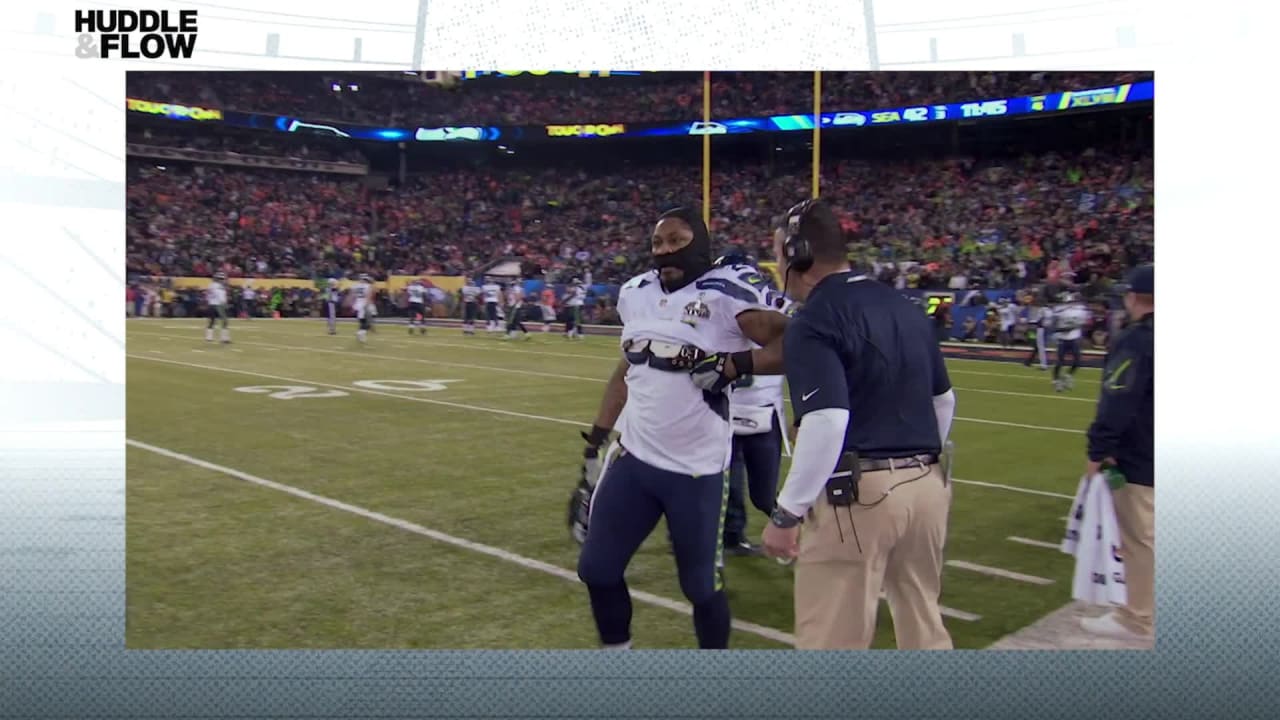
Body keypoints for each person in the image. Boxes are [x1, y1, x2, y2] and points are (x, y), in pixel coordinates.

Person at [574, 206, 789, 649]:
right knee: (596, 569)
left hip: (696, 468)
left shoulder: (726, 293)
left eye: (676, 240)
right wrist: (597, 437)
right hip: (635, 457)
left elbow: (796, 341)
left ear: (701, 246)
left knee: (700, 587)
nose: (665, 250)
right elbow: (626, 371)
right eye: (658, 242)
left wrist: (736, 363)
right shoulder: (635, 293)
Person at [760, 199, 956, 650]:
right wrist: (916, 464)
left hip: (861, 494)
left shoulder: (814, 318)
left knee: (832, 638)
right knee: (923, 623)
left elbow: (828, 419)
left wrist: (788, 511)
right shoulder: (904, 306)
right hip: (927, 484)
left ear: (798, 255)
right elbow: (943, 401)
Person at [1081, 263, 1154, 641]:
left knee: (1139, 540)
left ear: (1134, 297)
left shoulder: (1137, 340)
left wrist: (1099, 449)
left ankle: (1138, 618)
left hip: (1142, 456)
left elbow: (1119, 398)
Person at [715, 247, 791, 557]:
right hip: (745, 410)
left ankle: (792, 529)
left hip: (746, 409)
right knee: (740, 489)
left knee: (746, 489)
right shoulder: (777, 305)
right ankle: (733, 537)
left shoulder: (722, 305)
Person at [1051, 290, 1089, 392]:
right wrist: (1065, 329)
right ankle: (1056, 381)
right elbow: (1054, 326)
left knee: (1077, 361)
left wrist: (1077, 328)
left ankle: (1068, 376)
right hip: (1062, 338)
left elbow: (1083, 323)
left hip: (1074, 338)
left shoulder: (1080, 310)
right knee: (1060, 362)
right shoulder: (1058, 311)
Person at [204, 271, 231, 344]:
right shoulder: (219, 286)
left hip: (211, 304)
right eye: (223, 279)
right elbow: (220, 295)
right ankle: (224, 338)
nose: (224, 280)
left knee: (212, 321)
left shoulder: (211, 285)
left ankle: (209, 337)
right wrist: (224, 303)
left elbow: (207, 296)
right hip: (219, 304)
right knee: (225, 321)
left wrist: (209, 302)